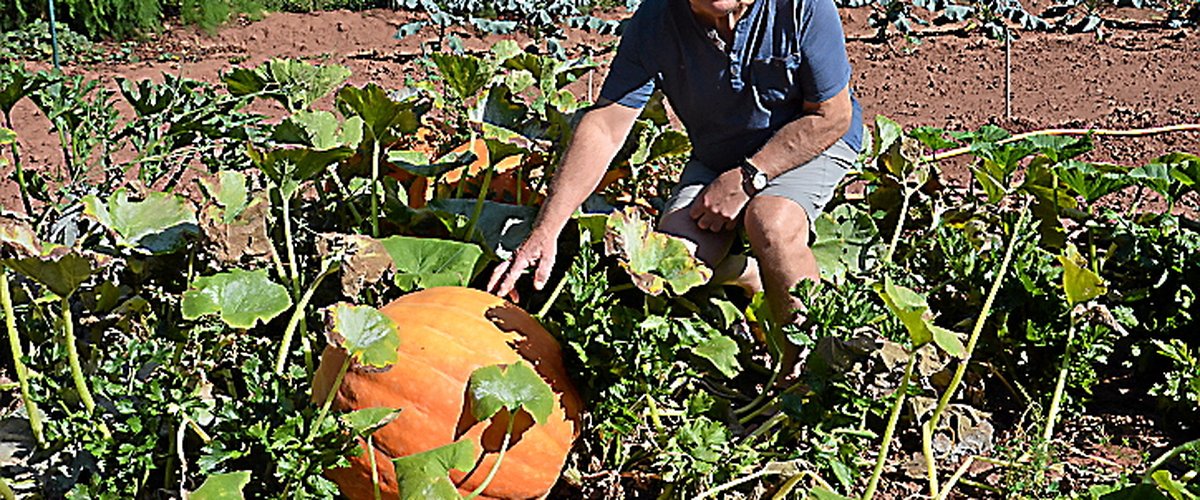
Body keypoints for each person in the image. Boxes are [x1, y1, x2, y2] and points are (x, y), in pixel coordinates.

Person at [487, 0, 864, 366]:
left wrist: (748, 178)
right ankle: (752, 272)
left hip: (811, 141)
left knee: (772, 221)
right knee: (669, 263)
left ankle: (812, 370)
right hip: (720, 155)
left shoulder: (802, 7)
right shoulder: (657, 19)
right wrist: (547, 229)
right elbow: (605, 125)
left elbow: (832, 116)